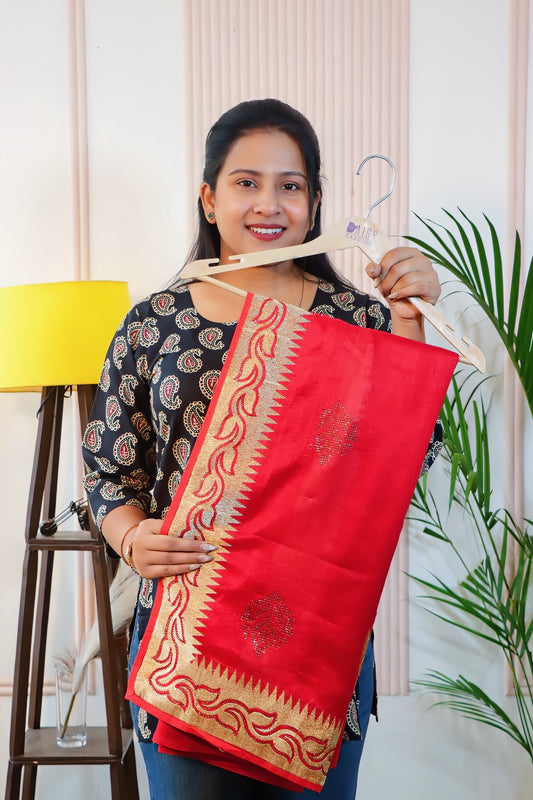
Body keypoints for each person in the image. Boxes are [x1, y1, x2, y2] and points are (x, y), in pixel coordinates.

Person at [82, 98, 443, 800]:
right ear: (208, 198)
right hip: (185, 628)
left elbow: (405, 463)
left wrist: (408, 322)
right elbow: (107, 471)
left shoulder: (361, 320)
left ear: (313, 201)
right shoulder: (156, 321)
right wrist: (131, 538)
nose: (268, 203)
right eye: (246, 182)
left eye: (291, 184)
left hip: (316, 642)